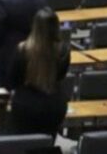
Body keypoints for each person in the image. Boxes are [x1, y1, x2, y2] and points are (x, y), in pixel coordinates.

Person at [6, 8, 70, 136]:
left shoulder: (23, 49)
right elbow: (61, 75)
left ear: (34, 26)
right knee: (47, 142)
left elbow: (13, 80)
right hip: (55, 105)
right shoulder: (63, 50)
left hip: (26, 105)